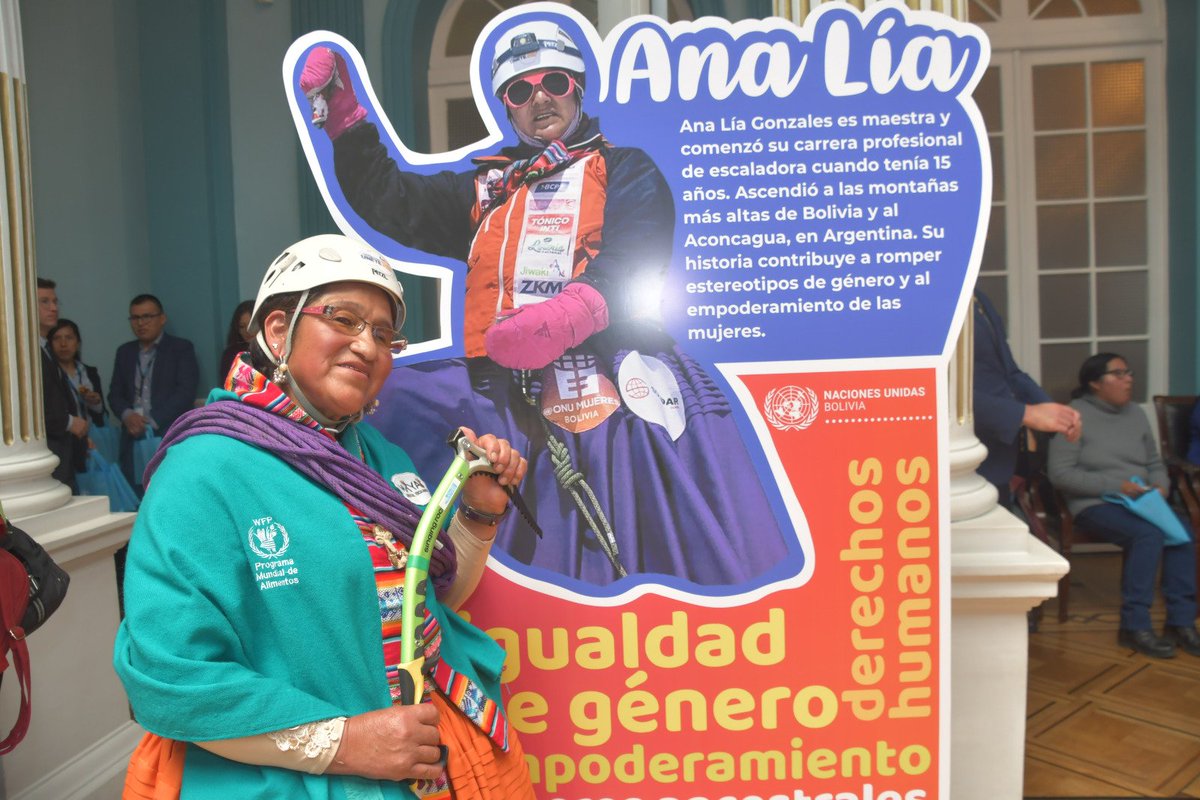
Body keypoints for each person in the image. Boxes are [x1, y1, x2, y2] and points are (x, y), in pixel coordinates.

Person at [298, 19, 791, 587]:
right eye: (519, 90)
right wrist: (345, 121)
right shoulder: (489, 188)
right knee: (398, 399)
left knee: (618, 466)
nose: (539, 98)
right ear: (507, 107)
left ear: (576, 89)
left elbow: (637, 250)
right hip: (501, 379)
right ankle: (388, 571)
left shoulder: (622, 167)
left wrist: (563, 317)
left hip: (607, 367)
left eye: (553, 82)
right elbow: (393, 201)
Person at [114, 234, 535, 798]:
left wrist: (478, 514)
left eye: (383, 334)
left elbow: (423, 603)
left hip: (439, 752)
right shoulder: (202, 470)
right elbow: (171, 675)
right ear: (278, 332)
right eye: (344, 319)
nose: (368, 347)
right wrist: (346, 743)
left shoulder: (378, 457)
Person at [1047, 352, 1200, 659]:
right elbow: (1060, 474)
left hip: (1143, 499)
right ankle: (1134, 627)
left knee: (1182, 532)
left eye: (1128, 372)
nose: (1128, 378)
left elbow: (1155, 462)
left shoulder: (1135, 414)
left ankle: (1181, 622)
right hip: (1095, 502)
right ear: (1094, 383)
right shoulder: (1073, 415)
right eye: (1118, 374)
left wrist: (1161, 486)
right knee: (1147, 536)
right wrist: (1117, 487)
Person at [972, 289, 1081, 504]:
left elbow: (1008, 371)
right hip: (956, 458)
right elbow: (928, 388)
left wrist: (1052, 410)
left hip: (998, 457)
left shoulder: (979, 296)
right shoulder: (918, 294)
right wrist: (1022, 414)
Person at [107, 294, 199, 489]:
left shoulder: (180, 348)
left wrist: (150, 421)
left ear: (162, 318)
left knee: (170, 489)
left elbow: (185, 392)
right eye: (135, 317)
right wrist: (127, 416)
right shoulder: (124, 352)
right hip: (132, 436)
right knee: (137, 492)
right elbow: (114, 394)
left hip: (168, 433)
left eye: (147, 316)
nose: (141, 323)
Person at [37, 278, 86, 488]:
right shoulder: (29, 351)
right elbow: (34, 405)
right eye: (45, 302)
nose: (54, 308)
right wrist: (69, 422)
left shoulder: (47, 349)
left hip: (64, 450)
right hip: (47, 449)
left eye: (55, 301)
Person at [216, 299, 254, 382]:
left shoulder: (275, 350)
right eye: (242, 326)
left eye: (251, 325)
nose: (247, 331)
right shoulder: (230, 355)